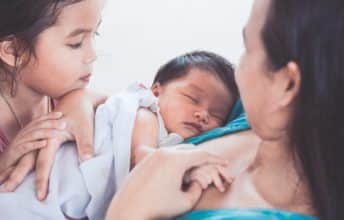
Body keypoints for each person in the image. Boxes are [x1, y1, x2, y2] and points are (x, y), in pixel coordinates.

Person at [106, 0, 344, 220]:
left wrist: (129, 208)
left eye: (247, 49)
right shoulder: (251, 114)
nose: (238, 74)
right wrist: (79, 98)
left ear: (287, 85)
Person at [0, 51, 237, 220]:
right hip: (34, 199)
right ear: (156, 92)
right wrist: (190, 168)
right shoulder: (144, 114)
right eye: (192, 99)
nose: (202, 114)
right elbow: (146, 159)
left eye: (216, 114)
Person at [0, 0, 106, 201]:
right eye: (75, 44)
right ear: (14, 51)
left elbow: (146, 103)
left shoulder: (64, 92)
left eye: (95, 35)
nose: (92, 55)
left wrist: (80, 99)